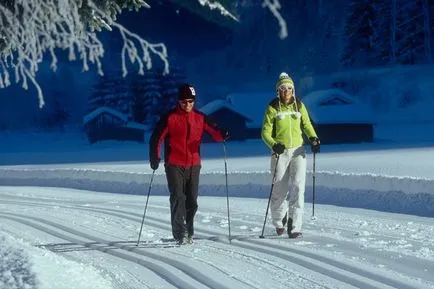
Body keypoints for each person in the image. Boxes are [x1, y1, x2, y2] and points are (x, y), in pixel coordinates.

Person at [149, 83, 228, 245]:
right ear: (179, 101)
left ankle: (189, 231)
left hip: (194, 164)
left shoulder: (200, 117)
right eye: (184, 101)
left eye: (191, 101)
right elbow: (156, 138)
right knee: (178, 197)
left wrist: (222, 134)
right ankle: (180, 234)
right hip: (174, 164)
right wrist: (155, 157)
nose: (188, 105)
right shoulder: (170, 118)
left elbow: (216, 133)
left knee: (192, 200)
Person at [261, 72, 320, 238]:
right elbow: (265, 132)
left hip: (298, 151)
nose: (286, 91)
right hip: (280, 152)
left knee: (298, 187)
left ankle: (294, 226)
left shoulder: (299, 106)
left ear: (293, 90)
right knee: (279, 188)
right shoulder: (272, 107)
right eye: (282, 88)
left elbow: (307, 125)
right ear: (278, 91)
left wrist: (314, 138)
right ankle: (279, 220)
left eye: (289, 88)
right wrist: (274, 144)